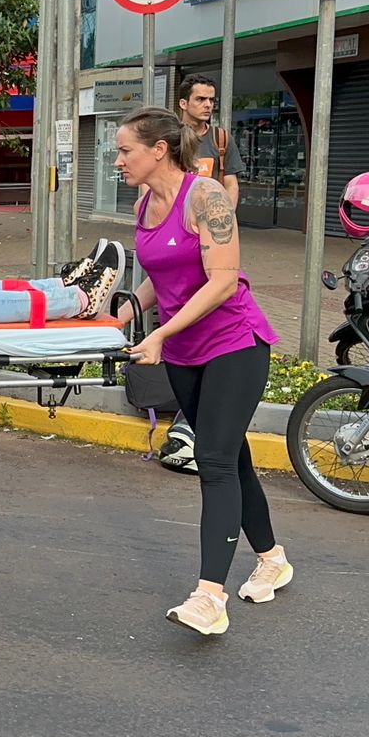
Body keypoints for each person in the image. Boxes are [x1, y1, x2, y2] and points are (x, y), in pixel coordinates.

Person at [109, 105, 288, 637]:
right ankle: (273, 557)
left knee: (212, 460)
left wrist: (159, 333)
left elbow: (223, 282)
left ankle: (210, 596)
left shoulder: (205, 198)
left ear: (158, 150)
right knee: (234, 460)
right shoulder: (145, 202)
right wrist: (119, 318)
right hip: (185, 352)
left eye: (124, 151)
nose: (117, 161)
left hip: (234, 344)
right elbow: (158, 278)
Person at [177, 73, 244, 207]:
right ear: (184, 104)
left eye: (211, 100)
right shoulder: (168, 136)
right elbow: (151, 180)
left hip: (210, 218)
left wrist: (226, 219)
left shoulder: (221, 139)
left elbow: (231, 185)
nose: (208, 105)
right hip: (176, 217)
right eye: (200, 99)